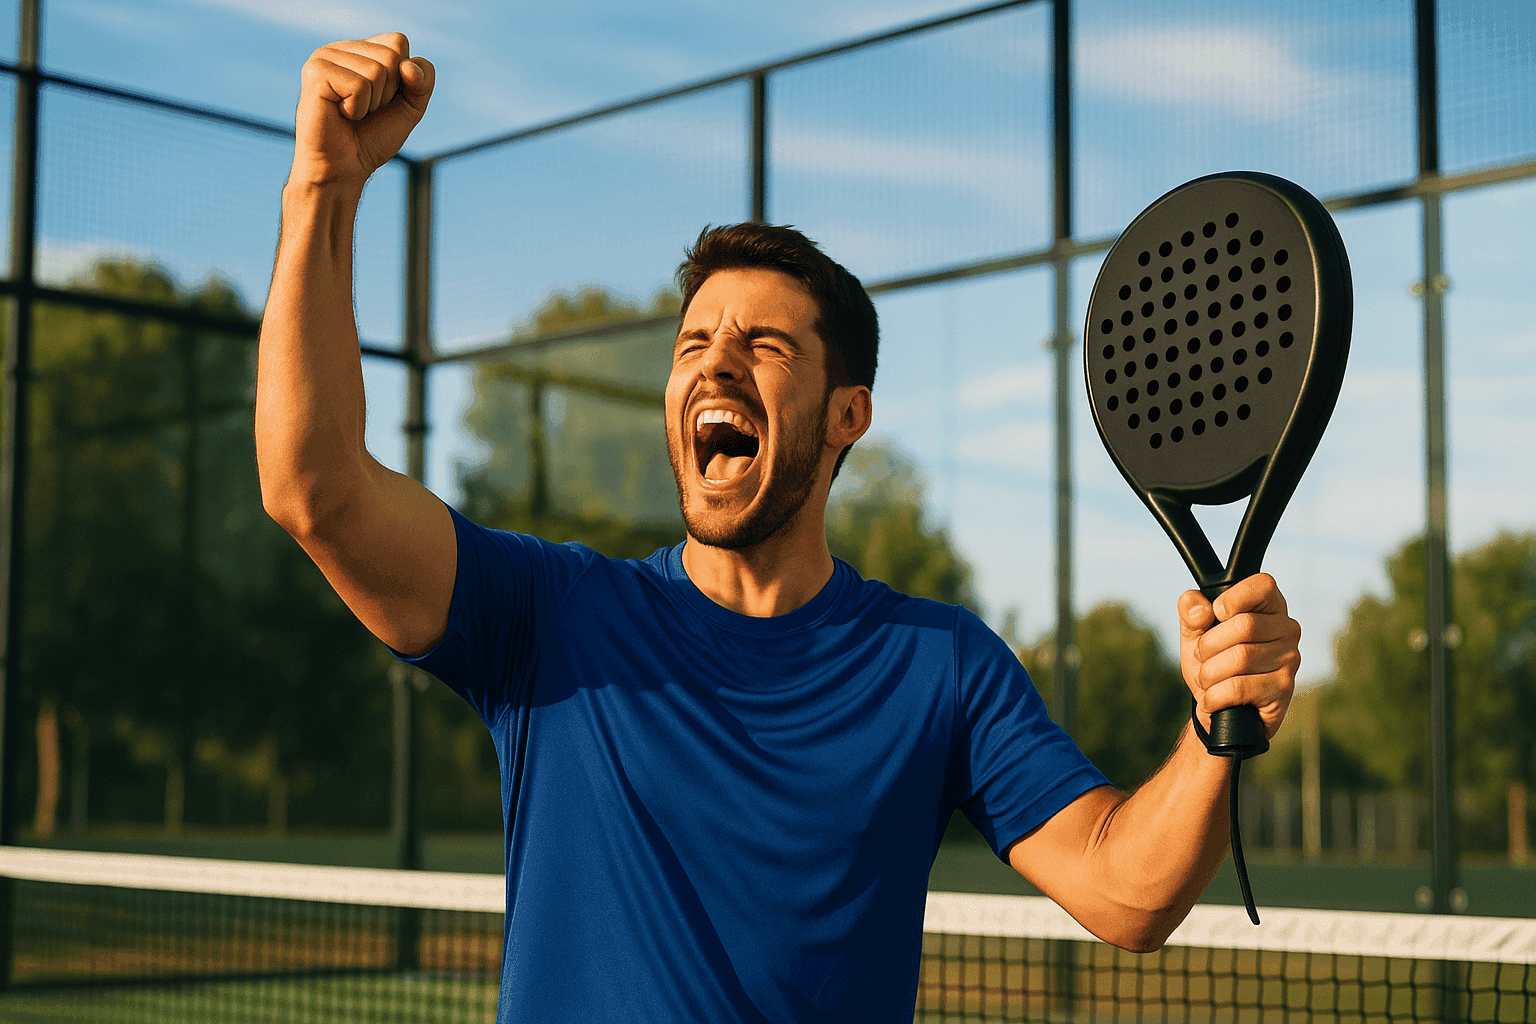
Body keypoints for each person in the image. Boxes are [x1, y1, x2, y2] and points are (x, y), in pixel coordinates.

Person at [257, 33, 1301, 1023]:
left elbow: (1127, 893)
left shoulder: (941, 664)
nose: (715, 361)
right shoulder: (549, 615)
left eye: (764, 344)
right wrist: (323, 186)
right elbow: (314, 487)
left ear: (848, 415)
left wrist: (1216, 725)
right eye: (693, 343)